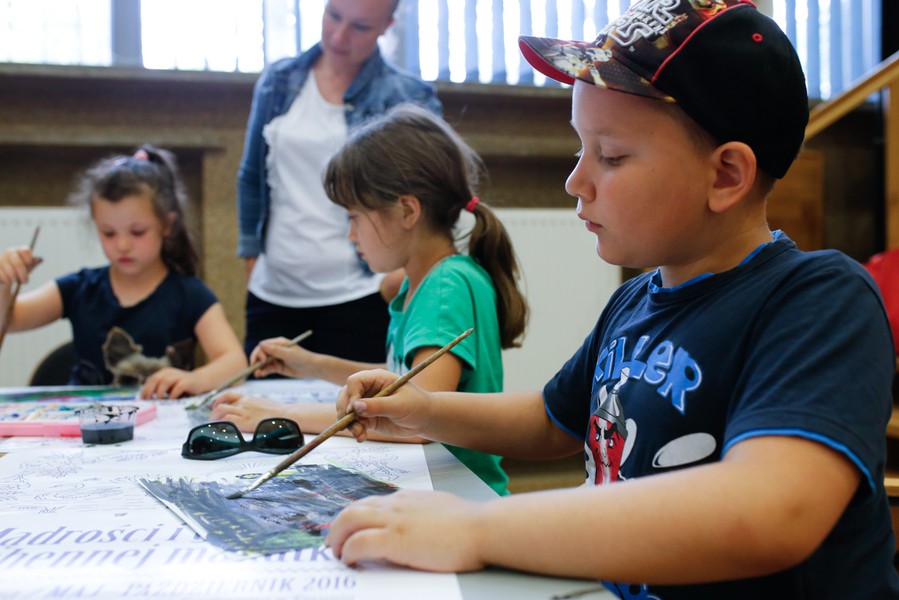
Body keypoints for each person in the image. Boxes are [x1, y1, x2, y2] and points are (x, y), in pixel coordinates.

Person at [323, 1, 899, 597]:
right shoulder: (634, 302)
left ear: (727, 175)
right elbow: (552, 419)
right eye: (581, 149)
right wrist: (423, 409)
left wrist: (474, 528)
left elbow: (770, 511)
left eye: (612, 156)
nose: (575, 181)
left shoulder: (818, 300)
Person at [213, 103, 528, 496]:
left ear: (407, 211)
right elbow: (402, 378)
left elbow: (415, 420)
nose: (350, 235)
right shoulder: (428, 282)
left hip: (458, 498)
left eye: (354, 217)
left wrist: (282, 414)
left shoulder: (445, 288)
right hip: (436, 491)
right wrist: (310, 363)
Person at [238, 0, 442, 365]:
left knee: (358, 400)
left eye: (360, 27)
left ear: (387, 25)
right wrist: (252, 257)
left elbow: (432, 196)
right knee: (260, 401)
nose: (338, 36)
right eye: (333, 16)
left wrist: (398, 276)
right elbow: (252, 176)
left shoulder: (408, 96)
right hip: (274, 293)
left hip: (359, 293)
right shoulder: (278, 80)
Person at [0, 145, 247, 399]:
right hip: (88, 421)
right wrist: (3, 281)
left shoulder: (190, 294)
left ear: (167, 225)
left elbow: (235, 362)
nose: (123, 245)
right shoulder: (79, 288)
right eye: (108, 233)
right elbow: (9, 321)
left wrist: (196, 379)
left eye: (137, 232)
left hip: (160, 420)